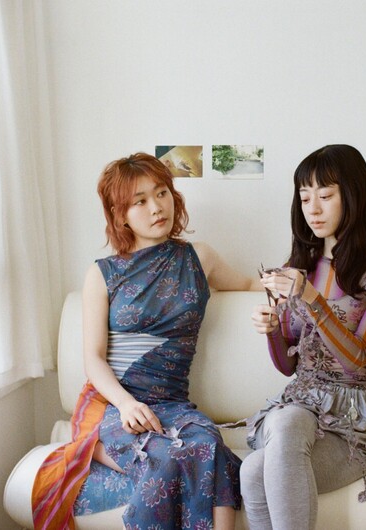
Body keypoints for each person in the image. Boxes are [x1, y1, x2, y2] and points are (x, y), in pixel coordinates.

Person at [32, 153, 257, 530]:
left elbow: (248, 284)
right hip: (113, 402)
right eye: (140, 201)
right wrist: (125, 404)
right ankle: (92, 444)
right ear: (120, 214)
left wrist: (295, 283)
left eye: (162, 193)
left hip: (173, 403)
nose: (156, 207)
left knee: (208, 445)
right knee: (166, 460)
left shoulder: (199, 257)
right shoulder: (101, 274)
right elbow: (93, 358)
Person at [240, 144, 366, 530]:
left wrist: (310, 298)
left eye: (326, 196)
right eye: (304, 198)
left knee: (259, 462)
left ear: (354, 196)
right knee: (261, 455)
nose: (313, 209)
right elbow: (288, 367)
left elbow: (358, 360)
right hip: (301, 406)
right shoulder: (296, 268)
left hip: (357, 418)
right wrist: (272, 331)